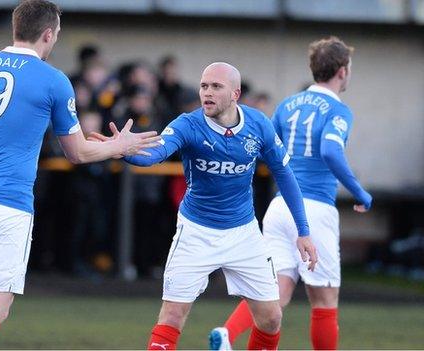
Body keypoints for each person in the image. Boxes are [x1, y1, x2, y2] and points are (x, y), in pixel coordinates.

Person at [0, 1, 159, 349]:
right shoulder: (53, 80)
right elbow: (77, 152)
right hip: (6, 206)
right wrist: (119, 147)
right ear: (49, 34)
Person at [93, 62, 318, 350]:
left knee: (271, 318)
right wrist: (121, 149)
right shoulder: (188, 124)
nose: (207, 93)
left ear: (235, 93)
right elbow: (154, 154)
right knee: (172, 316)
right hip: (196, 232)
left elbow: (285, 174)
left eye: (216, 87)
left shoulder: (259, 124)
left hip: (244, 234)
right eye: (203, 86)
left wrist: (304, 230)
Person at [212, 37, 372, 351]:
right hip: (314, 210)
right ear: (342, 71)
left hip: (280, 207)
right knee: (324, 299)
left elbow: (263, 147)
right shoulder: (339, 110)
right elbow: (330, 150)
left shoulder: (287, 105)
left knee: (275, 293)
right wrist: (360, 192)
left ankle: (228, 334)